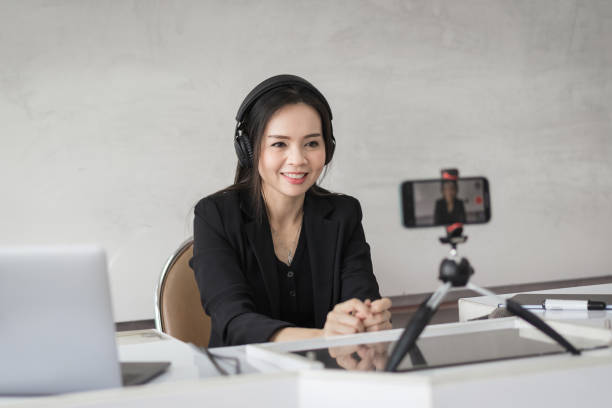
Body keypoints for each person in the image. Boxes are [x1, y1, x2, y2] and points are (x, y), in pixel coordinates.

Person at [190, 75, 392, 347]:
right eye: (279, 144)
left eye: (311, 143)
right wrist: (323, 338)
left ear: (327, 148)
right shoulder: (215, 216)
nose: (298, 160)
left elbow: (360, 298)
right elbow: (233, 319)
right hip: (245, 379)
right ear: (248, 150)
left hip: (329, 376)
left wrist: (366, 320)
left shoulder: (344, 214)